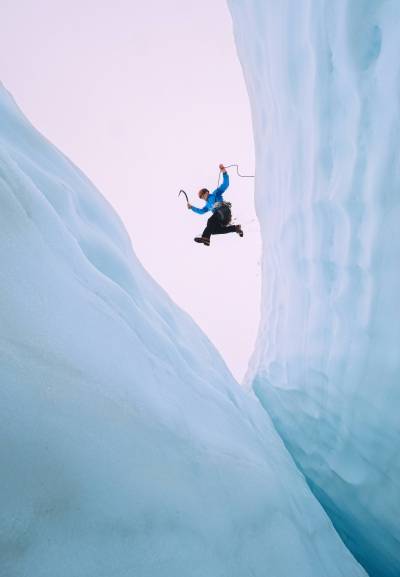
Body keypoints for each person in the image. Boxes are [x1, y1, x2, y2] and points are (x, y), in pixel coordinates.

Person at [187, 164, 243, 246]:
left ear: (207, 192)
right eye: (201, 197)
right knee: (213, 230)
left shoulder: (215, 193)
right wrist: (192, 207)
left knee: (210, 221)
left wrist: (224, 172)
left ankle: (205, 238)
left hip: (224, 211)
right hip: (223, 219)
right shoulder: (207, 206)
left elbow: (225, 184)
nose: (202, 197)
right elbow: (201, 211)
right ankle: (235, 228)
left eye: (203, 195)